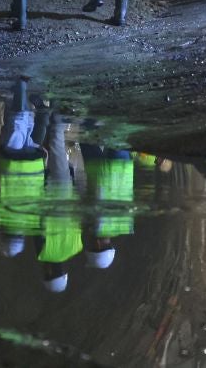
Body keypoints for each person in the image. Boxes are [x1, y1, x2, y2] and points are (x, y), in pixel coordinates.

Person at [0, 77, 48, 259]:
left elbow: (44, 197)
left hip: (33, 164)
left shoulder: (34, 221)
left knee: (25, 126)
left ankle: (18, 93)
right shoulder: (1, 219)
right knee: (17, 125)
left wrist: (44, 167)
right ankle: (20, 85)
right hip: (12, 163)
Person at [37, 110, 81, 293]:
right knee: (41, 149)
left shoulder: (76, 246)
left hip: (65, 190)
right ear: (48, 272)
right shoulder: (43, 253)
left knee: (57, 144)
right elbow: (36, 223)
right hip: (46, 192)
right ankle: (49, 109)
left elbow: (78, 217)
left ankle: (55, 111)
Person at [81, 143, 135, 271]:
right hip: (98, 171)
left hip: (122, 166)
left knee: (119, 129)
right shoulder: (92, 225)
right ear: (98, 245)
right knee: (87, 133)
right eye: (88, 245)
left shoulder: (127, 226)